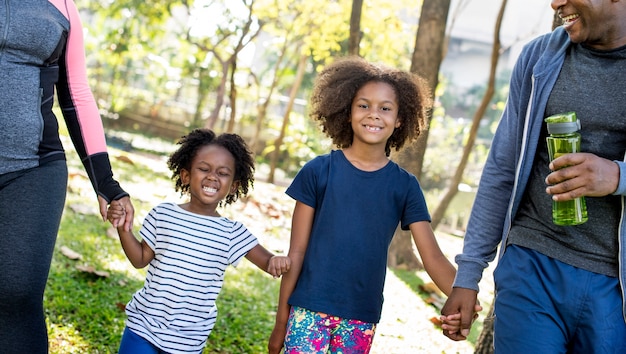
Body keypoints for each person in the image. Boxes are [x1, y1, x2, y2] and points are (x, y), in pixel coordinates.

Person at [440, 0, 626, 352]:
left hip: (615, 287)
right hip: (532, 265)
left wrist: (617, 177)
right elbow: (502, 168)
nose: (555, 2)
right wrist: (468, 275)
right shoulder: (540, 58)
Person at [267, 56, 476, 354]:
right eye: (363, 105)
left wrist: (463, 294)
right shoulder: (318, 171)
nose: (373, 114)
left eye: (385, 108)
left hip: (361, 317)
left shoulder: (405, 186)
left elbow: (431, 256)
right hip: (307, 309)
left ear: (400, 119)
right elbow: (296, 253)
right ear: (347, 111)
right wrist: (280, 324)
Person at [0, 1, 135, 353]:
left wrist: (105, 181)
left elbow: (76, 93)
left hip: (33, 169)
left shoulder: (62, 6)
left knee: (18, 294)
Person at [107, 128, 291, 354]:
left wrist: (278, 260)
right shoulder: (163, 214)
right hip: (143, 326)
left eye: (223, 173)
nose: (212, 177)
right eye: (204, 169)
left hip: (188, 338)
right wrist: (123, 228)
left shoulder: (232, 232)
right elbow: (140, 259)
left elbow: (268, 261)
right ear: (185, 175)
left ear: (233, 185)